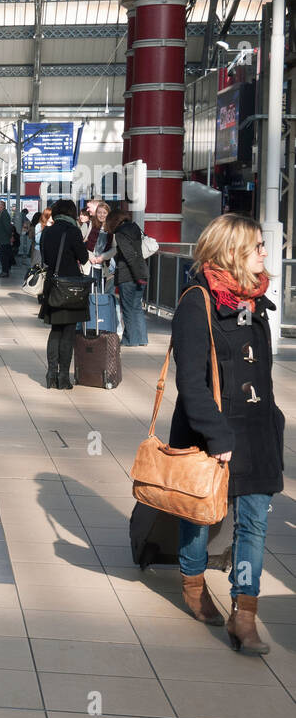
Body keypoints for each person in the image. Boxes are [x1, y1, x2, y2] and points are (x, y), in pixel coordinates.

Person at [172, 214, 283, 655]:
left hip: (257, 432)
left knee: (253, 524)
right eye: (257, 246)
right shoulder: (196, 302)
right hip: (211, 433)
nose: (264, 253)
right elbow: (191, 382)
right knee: (201, 517)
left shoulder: (255, 301)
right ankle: (193, 582)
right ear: (233, 252)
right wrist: (217, 437)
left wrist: (273, 419)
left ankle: (244, 613)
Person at [37, 198, 89, 389]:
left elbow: (45, 258)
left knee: (55, 330)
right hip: (71, 287)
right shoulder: (73, 231)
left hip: (53, 285)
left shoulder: (47, 232)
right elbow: (83, 258)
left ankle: (51, 374)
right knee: (68, 332)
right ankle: (64, 378)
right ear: (71, 213)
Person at [92, 209, 150, 346]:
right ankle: (142, 339)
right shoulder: (135, 228)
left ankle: (130, 340)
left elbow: (129, 255)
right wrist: (140, 275)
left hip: (129, 275)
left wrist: (136, 276)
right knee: (136, 308)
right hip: (142, 271)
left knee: (128, 309)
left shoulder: (120, 234)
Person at [0, 200, 14, 276]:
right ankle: (5, 270)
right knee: (3, 255)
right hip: (2, 239)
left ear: (2, 206)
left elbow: (7, 227)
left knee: (4, 256)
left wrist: (10, 236)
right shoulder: (1, 214)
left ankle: (5, 271)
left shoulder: (4, 214)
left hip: (4, 239)